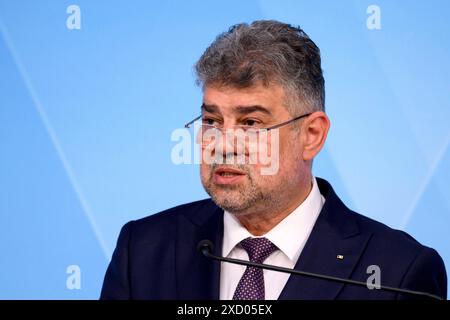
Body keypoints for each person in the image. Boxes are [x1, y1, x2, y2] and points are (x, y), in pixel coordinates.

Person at [100, 20, 447, 300]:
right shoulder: (143, 250)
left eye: (251, 123)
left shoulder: (398, 271)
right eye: (211, 121)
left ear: (312, 135)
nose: (223, 144)